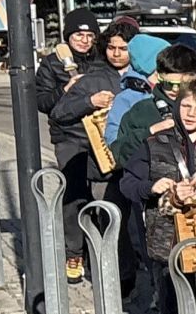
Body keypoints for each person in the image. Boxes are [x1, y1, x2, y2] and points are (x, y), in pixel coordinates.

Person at [136, 80, 196, 314]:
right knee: (175, 305)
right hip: (168, 239)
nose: (190, 113)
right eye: (185, 106)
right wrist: (151, 187)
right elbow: (129, 182)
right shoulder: (157, 142)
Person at [48, 28, 134, 282]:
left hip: (134, 159)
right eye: (112, 48)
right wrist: (89, 101)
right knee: (97, 210)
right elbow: (59, 113)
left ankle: (127, 271)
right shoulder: (92, 79)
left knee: (129, 220)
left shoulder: (144, 77)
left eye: (123, 48)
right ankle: (92, 263)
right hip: (99, 160)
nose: (116, 54)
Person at [110, 42, 196, 169]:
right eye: (168, 84)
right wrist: (149, 132)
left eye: (182, 85)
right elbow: (120, 155)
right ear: (158, 76)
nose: (175, 90)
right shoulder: (141, 111)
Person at [35, 8, 99, 118]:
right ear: (68, 36)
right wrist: (65, 89)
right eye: (79, 35)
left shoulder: (101, 59)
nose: (85, 41)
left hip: (100, 129)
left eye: (89, 36)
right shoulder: (52, 63)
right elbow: (42, 103)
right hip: (67, 131)